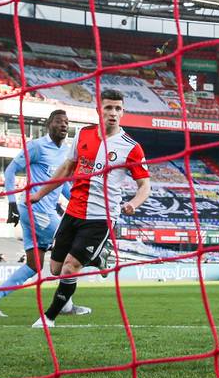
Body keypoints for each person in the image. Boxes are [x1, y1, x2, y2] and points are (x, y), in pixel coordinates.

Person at [26, 90, 151, 328]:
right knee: (55, 269)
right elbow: (67, 167)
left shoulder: (131, 147)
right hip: (72, 211)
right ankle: (99, 257)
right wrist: (39, 194)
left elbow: (145, 185)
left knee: (70, 267)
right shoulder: (83, 133)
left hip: (100, 217)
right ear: (99, 110)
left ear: (123, 112)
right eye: (108, 108)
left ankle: (48, 317)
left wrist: (133, 203)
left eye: (118, 108)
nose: (113, 113)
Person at [0, 111, 82, 318]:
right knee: (72, 248)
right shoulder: (36, 146)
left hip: (39, 212)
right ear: (48, 124)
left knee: (33, 265)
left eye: (67, 123)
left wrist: (80, 202)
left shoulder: (66, 153)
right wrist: (10, 203)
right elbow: (10, 171)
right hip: (36, 209)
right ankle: (66, 304)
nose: (64, 125)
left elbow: (60, 185)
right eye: (59, 122)